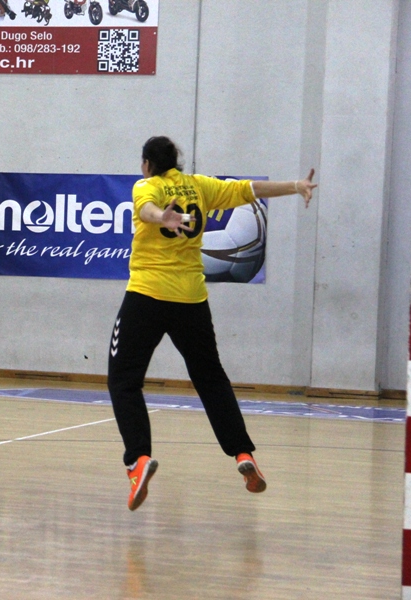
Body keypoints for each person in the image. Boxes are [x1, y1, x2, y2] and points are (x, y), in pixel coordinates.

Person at [108, 136, 317, 511]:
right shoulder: (200, 186)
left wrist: (161, 216)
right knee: (211, 379)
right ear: (177, 161)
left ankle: (138, 459)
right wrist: (295, 185)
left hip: (148, 296)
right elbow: (250, 190)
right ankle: (242, 453)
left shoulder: (147, 186)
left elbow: (146, 210)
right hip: (191, 300)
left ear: (147, 164)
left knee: (123, 379)